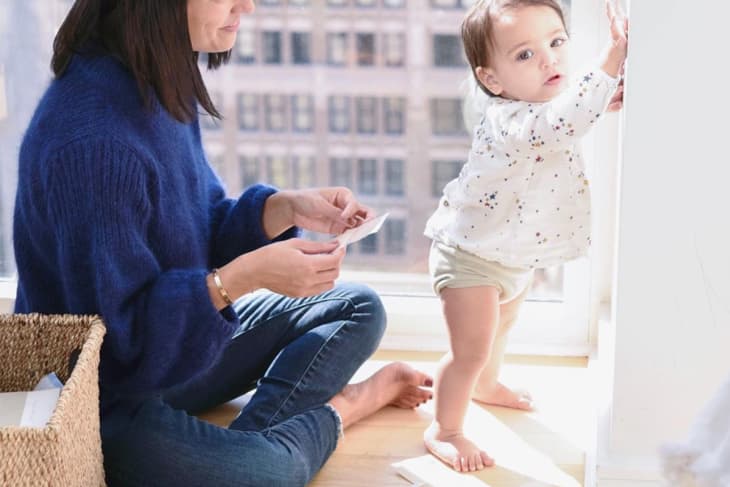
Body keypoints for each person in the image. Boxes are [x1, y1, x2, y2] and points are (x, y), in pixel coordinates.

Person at [12, 1, 433, 486]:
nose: (246, 5)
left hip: (170, 353)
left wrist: (282, 208)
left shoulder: (152, 75)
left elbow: (197, 227)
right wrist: (242, 278)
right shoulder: (94, 146)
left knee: (358, 306)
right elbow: (119, 346)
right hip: (100, 397)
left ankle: (248, 449)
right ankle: (344, 408)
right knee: (267, 473)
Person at [422, 0, 628, 472]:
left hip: (512, 256)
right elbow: (559, 124)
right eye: (524, 55)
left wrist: (604, 97)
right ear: (492, 79)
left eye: (556, 42)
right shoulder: (508, 119)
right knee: (470, 349)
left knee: (498, 334)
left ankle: (486, 385)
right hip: (470, 257)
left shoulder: (544, 107)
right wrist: (613, 58)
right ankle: (446, 428)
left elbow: (571, 114)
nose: (549, 60)